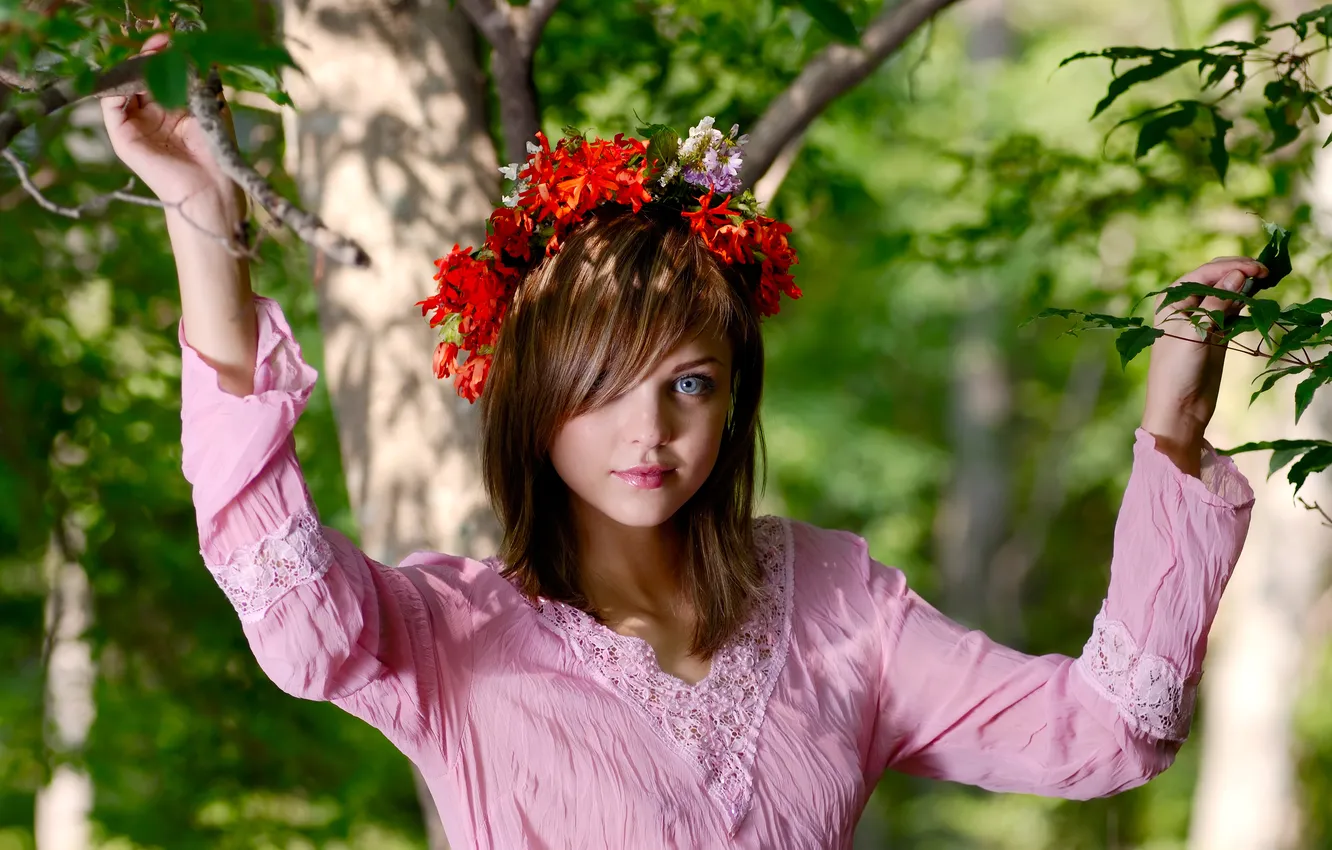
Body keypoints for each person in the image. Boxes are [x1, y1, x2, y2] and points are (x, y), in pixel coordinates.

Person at [103, 33, 1258, 849]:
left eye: (691, 383)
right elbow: (291, 614)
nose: (650, 432)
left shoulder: (836, 604)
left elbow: (1111, 729)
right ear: (533, 402)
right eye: (603, 389)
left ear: (736, 400)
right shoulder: (447, 631)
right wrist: (209, 232)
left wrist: (1174, 424)